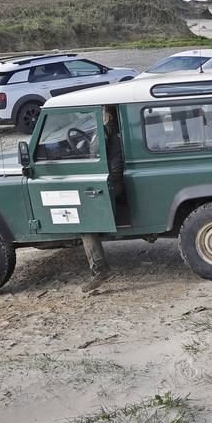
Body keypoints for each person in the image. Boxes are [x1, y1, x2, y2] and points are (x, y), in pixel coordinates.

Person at [80, 107, 124, 293]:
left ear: (108, 116)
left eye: (102, 112)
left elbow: (95, 150)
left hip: (114, 180)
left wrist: (103, 127)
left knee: (86, 223)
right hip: (117, 177)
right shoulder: (120, 127)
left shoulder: (107, 130)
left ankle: (100, 269)